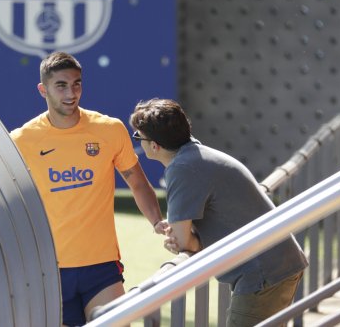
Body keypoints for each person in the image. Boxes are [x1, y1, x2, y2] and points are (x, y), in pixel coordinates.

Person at [11, 52, 165, 326]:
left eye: (77, 84)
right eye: (61, 85)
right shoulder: (22, 140)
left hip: (102, 267)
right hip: (50, 271)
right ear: (42, 89)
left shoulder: (109, 130)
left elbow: (137, 182)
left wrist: (156, 221)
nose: (71, 93)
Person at [129, 98, 309, 327]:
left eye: (138, 137)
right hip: (277, 264)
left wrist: (181, 238)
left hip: (262, 273)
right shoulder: (195, 153)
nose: (139, 143)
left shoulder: (182, 168)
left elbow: (186, 243)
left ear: (154, 145)